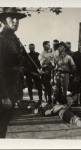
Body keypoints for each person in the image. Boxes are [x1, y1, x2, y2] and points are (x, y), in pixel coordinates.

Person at [0, 7, 27, 138]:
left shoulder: (13, 38)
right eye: (12, 18)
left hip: (12, 89)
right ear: (4, 20)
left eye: (18, 18)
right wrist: (4, 95)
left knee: (4, 124)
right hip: (3, 93)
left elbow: (16, 64)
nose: (16, 21)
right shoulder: (2, 39)